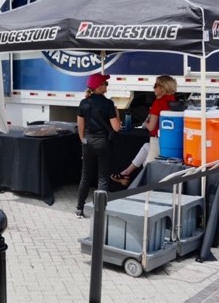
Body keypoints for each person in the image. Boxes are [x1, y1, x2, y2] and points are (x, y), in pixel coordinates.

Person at [111, 75, 177, 186]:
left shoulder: (158, 103)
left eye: (156, 85)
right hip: (170, 141)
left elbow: (151, 127)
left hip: (158, 140)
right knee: (146, 147)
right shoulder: (173, 101)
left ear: (163, 87)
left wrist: (145, 124)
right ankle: (126, 173)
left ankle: (142, 192)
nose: (153, 88)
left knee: (149, 167)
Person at [75, 73, 121, 218]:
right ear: (99, 87)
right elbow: (116, 127)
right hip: (103, 143)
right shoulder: (108, 104)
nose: (107, 86)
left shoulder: (84, 103)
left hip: (88, 142)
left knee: (85, 176)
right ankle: (100, 212)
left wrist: (83, 140)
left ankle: (79, 209)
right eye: (105, 84)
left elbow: (80, 125)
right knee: (102, 178)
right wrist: (117, 113)